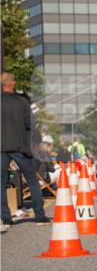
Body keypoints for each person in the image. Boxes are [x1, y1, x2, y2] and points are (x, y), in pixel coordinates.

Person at [1, 72, 50, 228]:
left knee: (1, 183)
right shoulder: (23, 102)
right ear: (13, 83)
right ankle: (40, 216)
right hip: (21, 146)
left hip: (1, 147)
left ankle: (5, 217)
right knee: (32, 181)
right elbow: (30, 124)